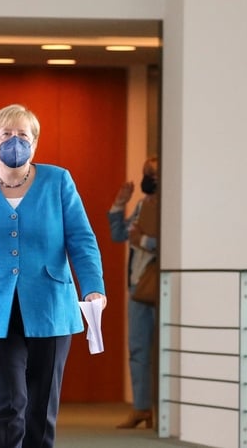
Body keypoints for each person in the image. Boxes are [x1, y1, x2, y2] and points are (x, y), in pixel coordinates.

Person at [0, 103, 107, 448]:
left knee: (40, 411)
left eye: (23, 135)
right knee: (5, 406)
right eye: (6, 135)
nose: (15, 141)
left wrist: (92, 289)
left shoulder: (58, 180)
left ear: (35, 142)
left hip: (49, 305)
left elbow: (81, 239)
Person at [108, 156, 158, 429]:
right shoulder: (141, 205)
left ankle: (163, 410)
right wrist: (119, 203)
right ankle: (141, 408)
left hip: (161, 287)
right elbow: (118, 235)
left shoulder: (170, 205)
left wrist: (143, 240)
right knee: (138, 349)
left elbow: (170, 243)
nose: (148, 177)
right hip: (138, 287)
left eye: (152, 172)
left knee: (164, 350)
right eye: (146, 172)